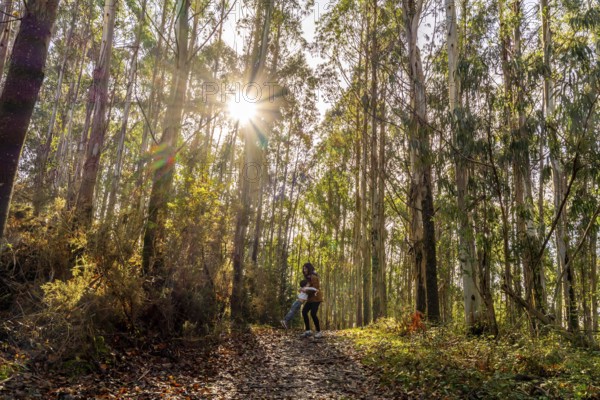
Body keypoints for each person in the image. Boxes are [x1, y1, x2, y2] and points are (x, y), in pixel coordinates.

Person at [300, 262, 323, 338]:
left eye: (305, 268)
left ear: (309, 269)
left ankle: (319, 331)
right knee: (304, 311)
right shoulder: (308, 278)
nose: (304, 270)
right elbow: (307, 287)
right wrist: (302, 289)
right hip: (310, 299)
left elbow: (315, 289)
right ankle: (308, 331)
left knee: (313, 314)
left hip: (316, 298)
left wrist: (305, 290)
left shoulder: (313, 277)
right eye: (303, 268)